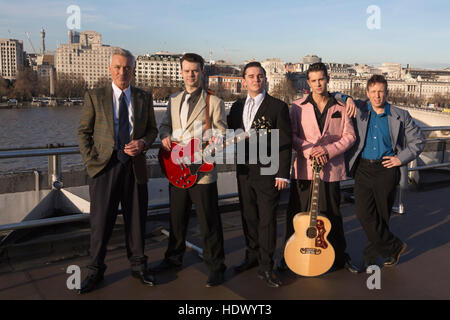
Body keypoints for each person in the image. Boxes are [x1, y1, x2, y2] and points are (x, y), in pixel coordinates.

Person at [77, 48, 158, 294]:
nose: (123, 72)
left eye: (127, 68)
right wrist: (92, 162)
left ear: (134, 70)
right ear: (110, 69)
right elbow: (83, 132)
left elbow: (153, 130)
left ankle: (138, 266)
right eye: (118, 67)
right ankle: (95, 271)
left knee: (136, 219)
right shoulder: (95, 96)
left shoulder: (144, 97)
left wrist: (143, 143)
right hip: (104, 167)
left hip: (134, 167)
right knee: (101, 222)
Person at [155, 53, 227, 287]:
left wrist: (206, 149)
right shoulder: (174, 99)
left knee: (209, 221)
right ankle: (173, 258)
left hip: (202, 171)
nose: (190, 75)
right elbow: (165, 125)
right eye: (186, 71)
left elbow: (221, 134)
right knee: (177, 218)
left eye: (194, 70)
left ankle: (216, 266)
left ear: (202, 71)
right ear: (182, 72)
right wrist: (165, 136)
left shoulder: (214, 102)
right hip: (177, 170)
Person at [280, 62, 359, 274]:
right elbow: (292, 135)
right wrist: (309, 150)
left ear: (327, 79)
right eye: (313, 80)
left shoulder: (341, 107)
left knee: (332, 214)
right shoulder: (297, 106)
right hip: (305, 168)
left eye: (321, 79)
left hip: (331, 169)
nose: (318, 84)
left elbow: (350, 136)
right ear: (308, 82)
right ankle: (288, 256)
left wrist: (328, 151)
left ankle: (340, 257)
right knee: (297, 213)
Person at [343, 75, 425, 270]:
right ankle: (393, 247)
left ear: (386, 93)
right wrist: (347, 98)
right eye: (373, 92)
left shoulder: (400, 115)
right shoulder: (360, 108)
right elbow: (334, 95)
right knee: (363, 213)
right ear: (367, 93)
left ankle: (371, 260)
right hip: (363, 168)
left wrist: (400, 158)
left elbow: (419, 141)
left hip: (387, 168)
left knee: (381, 215)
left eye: (380, 91)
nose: (377, 96)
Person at [227, 62, 292, 287]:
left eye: (260, 76)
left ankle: (267, 266)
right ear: (244, 80)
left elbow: (285, 143)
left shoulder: (277, 107)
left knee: (267, 220)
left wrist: (283, 174)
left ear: (265, 79)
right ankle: (252, 256)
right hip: (244, 170)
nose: (256, 80)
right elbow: (230, 137)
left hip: (268, 171)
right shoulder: (236, 107)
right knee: (248, 216)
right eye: (252, 76)